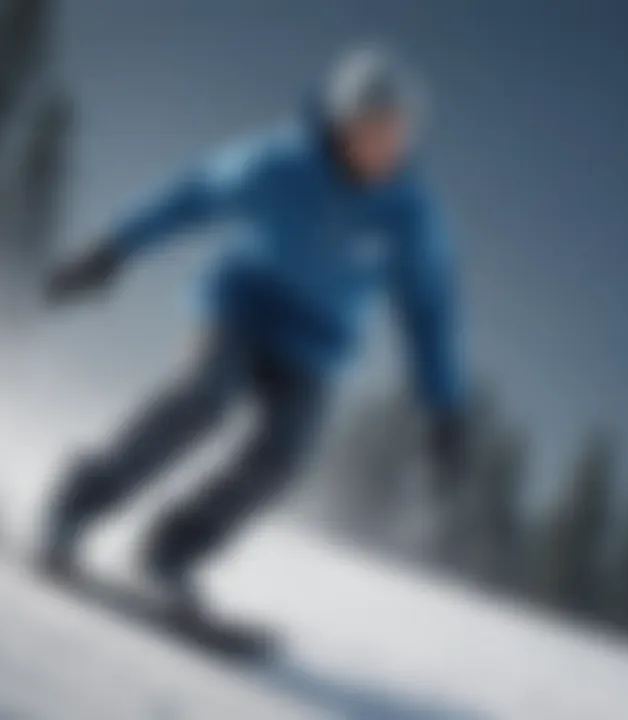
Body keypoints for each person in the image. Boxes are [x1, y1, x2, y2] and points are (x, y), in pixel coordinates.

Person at [42, 47, 468, 603]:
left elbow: (429, 311)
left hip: (313, 345)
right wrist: (112, 250)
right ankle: (77, 506)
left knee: (286, 454)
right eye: (377, 127)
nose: (391, 143)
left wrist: (443, 409)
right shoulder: (282, 165)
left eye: (400, 130)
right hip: (241, 307)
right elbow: (192, 196)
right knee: (203, 398)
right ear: (344, 123)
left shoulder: (409, 216)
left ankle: (170, 553)